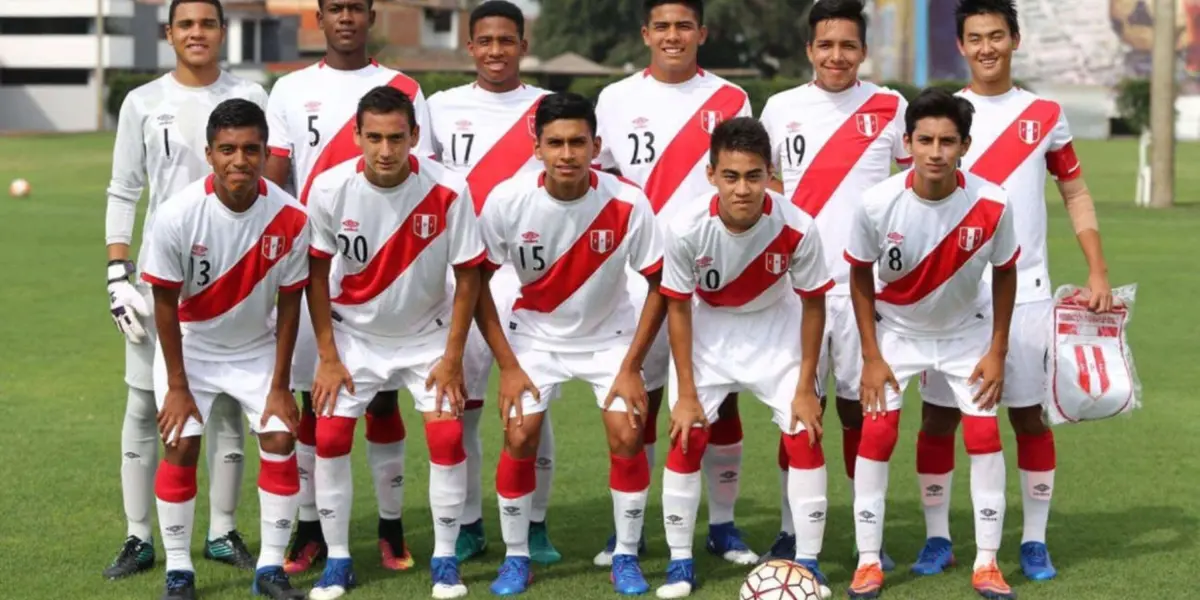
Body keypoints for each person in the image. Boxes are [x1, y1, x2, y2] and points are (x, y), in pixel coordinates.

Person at [912, 0, 1114, 582]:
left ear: (1015, 40)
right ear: (961, 45)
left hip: (1027, 293)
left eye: (996, 35)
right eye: (974, 37)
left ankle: (1032, 542)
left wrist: (1096, 269)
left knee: (1028, 418)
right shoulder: (947, 116)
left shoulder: (1045, 113)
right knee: (938, 421)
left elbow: (1075, 193)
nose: (986, 48)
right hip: (952, 296)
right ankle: (936, 540)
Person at [264, 0, 434, 575]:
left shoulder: (404, 86)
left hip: (388, 269)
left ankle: (390, 528)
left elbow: (423, 181)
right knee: (320, 400)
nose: (345, 18)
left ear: (371, 16)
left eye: (355, 8)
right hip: (316, 265)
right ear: (318, 16)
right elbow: (276, 180)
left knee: (383, 396)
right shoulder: (288, 90)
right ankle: (309, 529)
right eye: (334, 8)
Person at [476, 92, 664, 596]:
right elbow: (475, 284)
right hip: (534, 337)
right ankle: (517, 558)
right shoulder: (507, 200)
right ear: (536, 148)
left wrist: (631, 365)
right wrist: (509, 367)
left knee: (627, 434)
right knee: (519, 436)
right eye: (554, 143)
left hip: (610, 338)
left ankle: (625, 555)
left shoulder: (628, 201)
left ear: (596, 145)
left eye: (577, 142)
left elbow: (660, 284)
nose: (566, 154)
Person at [103, 0, 267, 578]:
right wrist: (116, 273)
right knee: (144, 405)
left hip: (234, 277)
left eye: (208, 23)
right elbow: (124, 190)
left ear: (223, 31)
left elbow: (270, 183)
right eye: (187, 25)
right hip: (157, 283)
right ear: (169, 33)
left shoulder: (252, 94)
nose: (198, 34)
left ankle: (223, 532)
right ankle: (138, 535)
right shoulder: (143, 102)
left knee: (225, 409)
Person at [592, 0, 756, 566]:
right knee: (642, 402)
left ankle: (725, 526)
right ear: (645, 33)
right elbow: (604, 184)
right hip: (639, 277)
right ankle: (631, 529)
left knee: (720, 403)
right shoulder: (614, 99)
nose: (672, 35)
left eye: (684, 25)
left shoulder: (732, 98)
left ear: (702, 33)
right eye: (661, 26)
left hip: (715, 276)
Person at [304, 86, 481, 600]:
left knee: (447, 440)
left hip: (428, 339)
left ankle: (445, 561)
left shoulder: (450, 188)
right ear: (357, 136)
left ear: (415, 137)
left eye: (397, 138)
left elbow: (469, 276)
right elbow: (315, 275)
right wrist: (329, 356)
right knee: (331, 438)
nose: (385, 150)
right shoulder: (330, 188)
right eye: (375, 138)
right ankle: (338, 561)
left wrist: (451, 358)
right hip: (354, 337)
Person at [843, 88, 1019, 600]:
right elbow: (858, 273)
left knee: (984, 437)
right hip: (896, 333)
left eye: (947, 141)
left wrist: (997, 351)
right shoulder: (877, 203)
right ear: (908, 142)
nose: (935, 152)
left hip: (967, 335)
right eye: (925, 140)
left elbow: (1006, 274)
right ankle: (869, 562)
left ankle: (987, 564)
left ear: (965, 145)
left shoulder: (992, 202)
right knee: (877, 437)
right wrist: (872, 356)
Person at [757, 0, 911, 568]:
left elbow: (915, 181)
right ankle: (789, 528)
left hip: (863, 291)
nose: (837, 56)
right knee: (797, 410)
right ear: (809, 51)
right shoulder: (779, 108)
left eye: (848, 45)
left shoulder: (891, 107)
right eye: (826, 45)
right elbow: (766, 189)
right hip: (796, 292)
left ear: (864, 52)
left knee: (858, 412)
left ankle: (864, 531)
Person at [656, 117, 833, 599]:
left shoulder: (798, 225)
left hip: (776, 328)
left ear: (769, 174)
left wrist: (804, 387)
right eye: (731, 176)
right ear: (711, 174)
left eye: (754, 176)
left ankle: (809, 563)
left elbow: (814, 302)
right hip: (708, 330)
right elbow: (677, 306)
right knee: (687, 436)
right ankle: (680, 563)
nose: (742, 189)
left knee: (805, 436)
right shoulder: (685, 227)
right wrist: (687, 394)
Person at [141, 98, 309, 600]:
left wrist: (281, 387)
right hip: (190, 350)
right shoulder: (177, 217)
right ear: (210, 154)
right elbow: (165, 306)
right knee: (181, 441)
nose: (241, 160)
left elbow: (290, 304)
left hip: (256, 349)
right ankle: (179, 572)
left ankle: (271, 570)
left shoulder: (291, 217)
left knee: (280, 437)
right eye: (228, 149)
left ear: (264, 153)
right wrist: (177, 386)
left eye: (251, 149)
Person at [425, 0, 559, 565]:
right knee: (466, 407)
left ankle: (535, 524)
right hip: (459, 276)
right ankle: (473, 522)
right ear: (470, 46)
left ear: (523, 46)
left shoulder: (548, 108)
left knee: (531, 403)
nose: (497, 50)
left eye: (508, 40)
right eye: (486, 41)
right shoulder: (439, 107)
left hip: (525, 276)